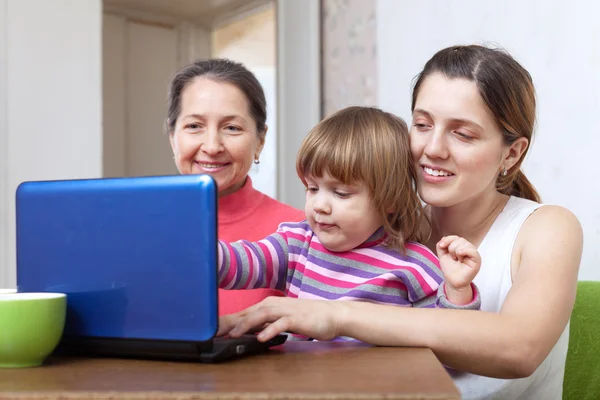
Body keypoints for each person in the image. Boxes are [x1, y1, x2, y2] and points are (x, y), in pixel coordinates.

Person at [217, 45, 583, 400]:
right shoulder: (381, 234)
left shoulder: (547, 227)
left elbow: (519, 348)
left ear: (512, 152)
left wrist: (336, 315)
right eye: (422, 124)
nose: (432, 148)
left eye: (463, 133)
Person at [217, 106, 482, 340]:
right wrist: (199, 252)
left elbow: (448, 346)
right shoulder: (296, 243)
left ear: (389, 200)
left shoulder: (415, 266)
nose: (320, 205)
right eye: (312, 188)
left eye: (341, 193)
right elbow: (240, 263)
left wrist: (457, 290)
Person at [165, 59, 304, 315]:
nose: (212, 146)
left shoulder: (303, 232)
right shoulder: (135, 226)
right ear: (173, 136)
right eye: (194, 126)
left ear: (260, 141)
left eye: (232, 128)